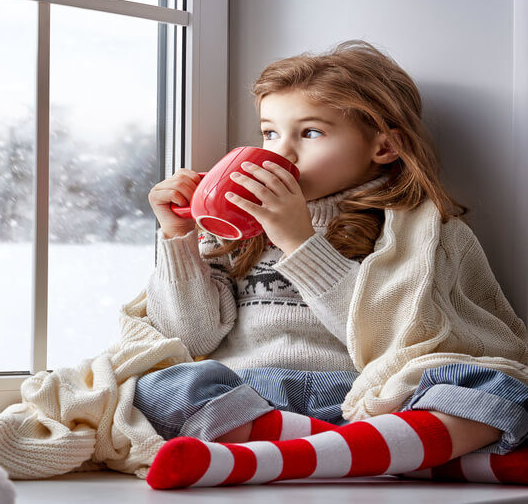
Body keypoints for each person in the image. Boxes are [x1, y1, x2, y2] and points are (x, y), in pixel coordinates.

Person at [134, 40, 528, 489]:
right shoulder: (239, 228)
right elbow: (190, 336)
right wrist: (178, 237)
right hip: (249, 396)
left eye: (311, 133)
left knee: (493, 387)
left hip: (366, 396)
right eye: (269, 133)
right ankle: (401, 457)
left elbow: (400, 337)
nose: (282, 153)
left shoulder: (420, 232)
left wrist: (299, 240)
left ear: (384, 147)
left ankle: (287, 457)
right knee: (159, 389)